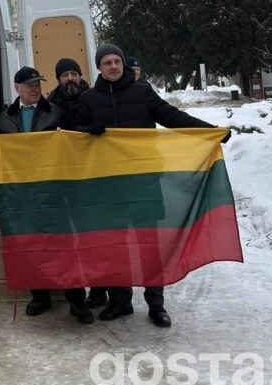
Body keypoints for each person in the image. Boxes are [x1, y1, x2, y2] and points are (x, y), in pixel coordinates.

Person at [75, 43, 225, 328]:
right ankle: (121, 301)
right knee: (116, 246)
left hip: (144, 183)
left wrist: (209, 131)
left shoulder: (142, 92)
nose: (113, 66)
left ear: (123, 64)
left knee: (150, 247)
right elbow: (72, 132)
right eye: (107, 62)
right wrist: (86, 129)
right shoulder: (89, 99)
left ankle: (156, 305)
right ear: (99, 67)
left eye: (117, 61)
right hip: (110, 187)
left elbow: (172, 116)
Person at [0, 66, 94, 325]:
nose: (35, 88)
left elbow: (76, 143)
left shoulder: (56, 111)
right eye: (30, 84)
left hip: (56, 191)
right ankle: (40, 297)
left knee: (65, 246)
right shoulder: (6, 118)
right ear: (17, 88)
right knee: (32, 245)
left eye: (38, 84)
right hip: (24, 194)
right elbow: (0, 153)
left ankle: (77, 300)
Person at [46, 58, 106, 309]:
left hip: (94, 178)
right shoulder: (50, 105)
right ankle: (75, 297)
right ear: (58, 79)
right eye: (65, 75)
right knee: (69, 240)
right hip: (64, 181)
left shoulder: (94, 97)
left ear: (80, 76)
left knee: (96, 239)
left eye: (73, 73)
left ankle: (100, 291)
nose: (70, 78)